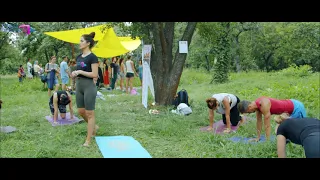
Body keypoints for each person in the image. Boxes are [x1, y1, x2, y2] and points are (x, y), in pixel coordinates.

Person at [71, 32, 99, 147]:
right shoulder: (78, 57)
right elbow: (78, 72)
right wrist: (74, 75)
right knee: (81, 112)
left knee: (90, 113)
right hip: (79, 85)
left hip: (89, 86)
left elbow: (95, 74)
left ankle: (88, 140)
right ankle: (94, 126)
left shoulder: (93, 57)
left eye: (82, 41)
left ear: (88, 43)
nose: (80, 43)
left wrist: (81, 72)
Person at [238, 97, 307, 142]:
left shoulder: (263, 104)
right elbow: (259, 122)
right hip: (287, 112)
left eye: (248, 112)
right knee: (281, 131)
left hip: (296, 107)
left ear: (249, 107)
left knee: (301, 129)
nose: (249, 113)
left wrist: (267, 141)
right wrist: (258, 138)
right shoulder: (257, 107)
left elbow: (267, 125)